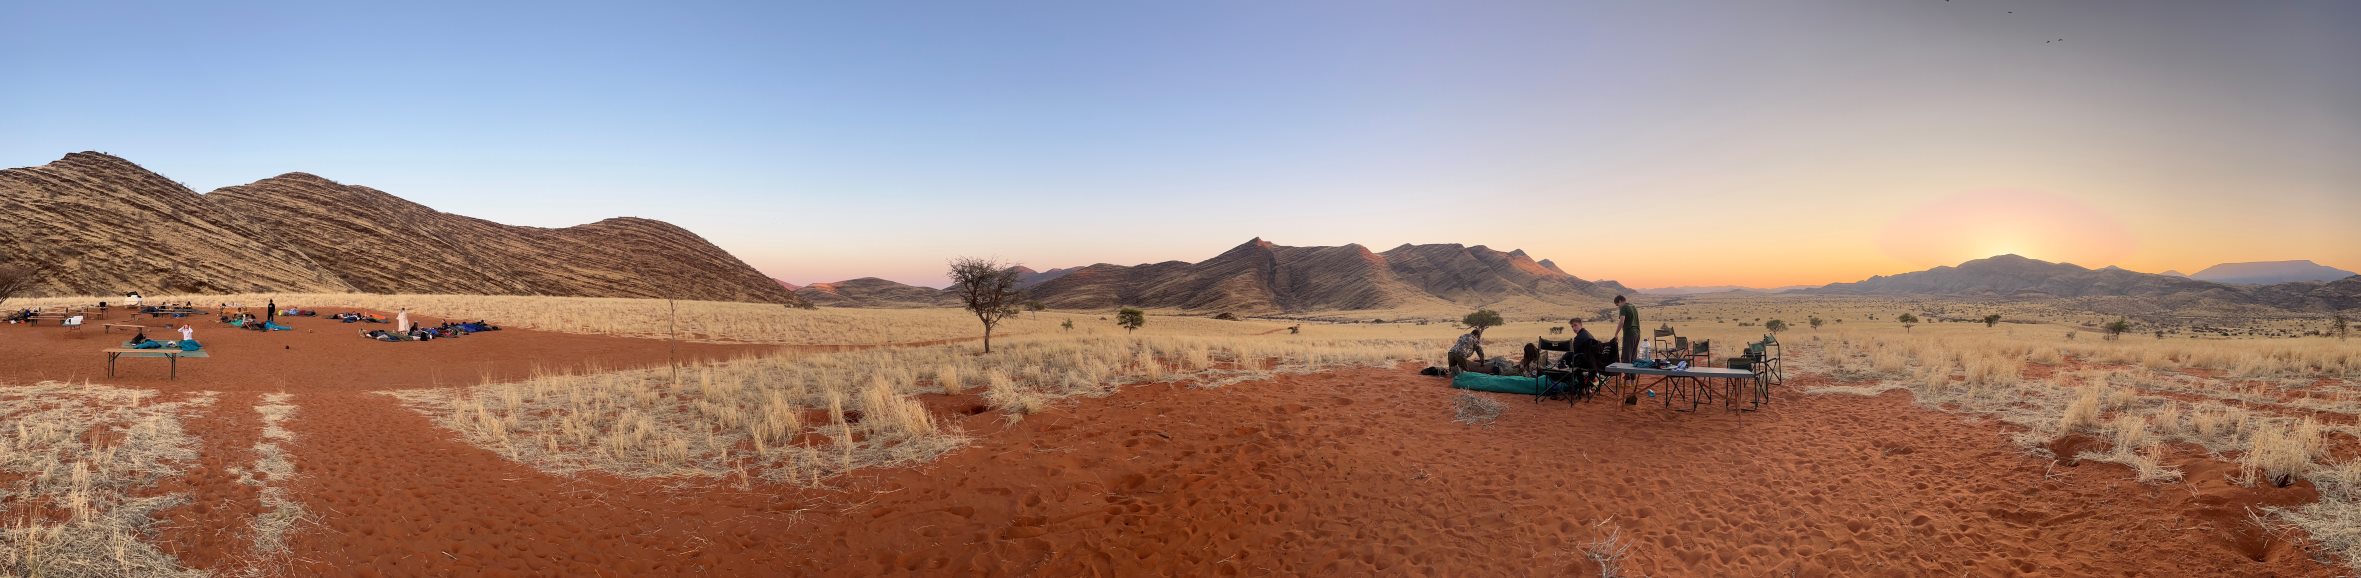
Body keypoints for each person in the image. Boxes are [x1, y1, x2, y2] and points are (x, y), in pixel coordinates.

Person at [1614, 295, 1640, 384]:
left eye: (1618, 305)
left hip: (1629, 333)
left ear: (1620, 301)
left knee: (1626, 356)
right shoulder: (1633, 306)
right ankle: (1633, 379)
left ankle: (1627, 379)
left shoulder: (1624, 307)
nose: (1618, 307)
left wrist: (1616, 333)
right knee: (1633, 356)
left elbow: (1622, 321)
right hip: (1637, 332)